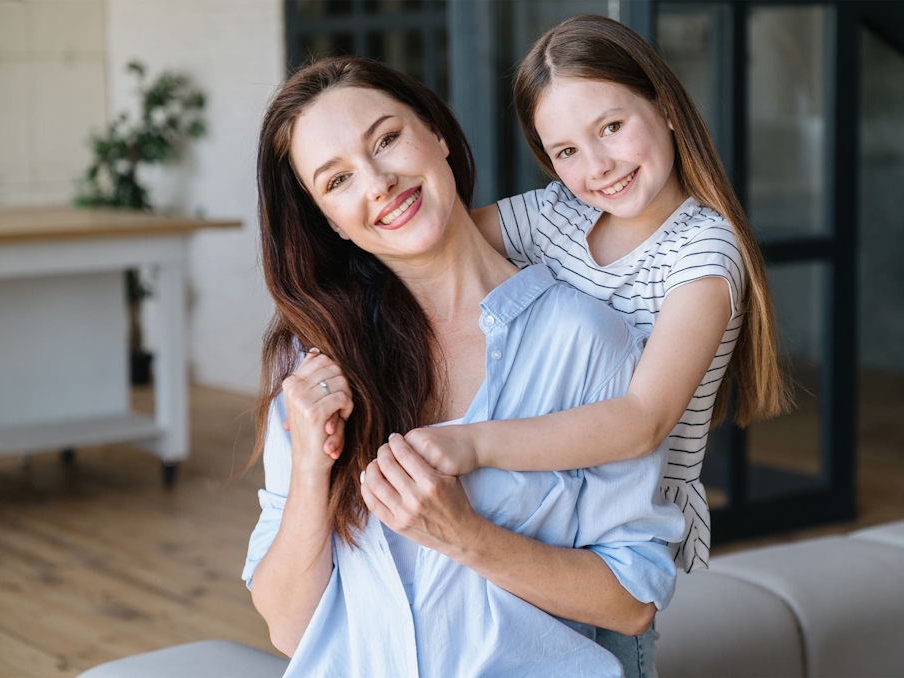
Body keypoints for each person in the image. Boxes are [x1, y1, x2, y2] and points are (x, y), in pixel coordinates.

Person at [241, 55, 686, 678]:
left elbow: (632, 603)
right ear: (327, 220)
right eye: (336, 180)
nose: (377, 182)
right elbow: (290, 628)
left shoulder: (585, 340)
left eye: (387, 140)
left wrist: (466, 536)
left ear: (437, 135)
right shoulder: (311, 358)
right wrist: (314, 471)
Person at [404, 14, 792, 576]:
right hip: (533, 520)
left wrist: (474, 444)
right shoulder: (554, 213)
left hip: (620, 545)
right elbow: (436, 247)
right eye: (565, 152)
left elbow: (642, 422)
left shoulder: (703, 252)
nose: (597, 167)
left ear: (663, 106)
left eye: (610, 127)